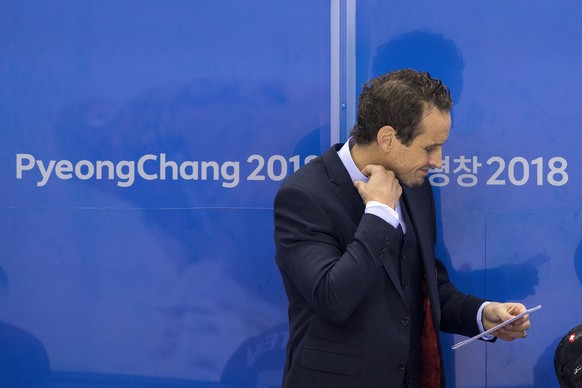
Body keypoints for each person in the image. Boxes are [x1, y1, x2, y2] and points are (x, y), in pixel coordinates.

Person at [273, 69, 531, 387]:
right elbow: (333, 299)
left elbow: (423, 288)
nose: (437, 161)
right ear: (388, 139)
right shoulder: (304, 195)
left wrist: (483, 314)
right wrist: (379, 214)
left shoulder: (415, 185)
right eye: (429, 148)